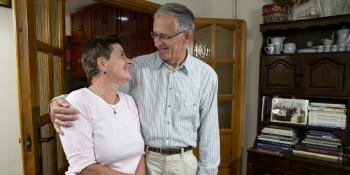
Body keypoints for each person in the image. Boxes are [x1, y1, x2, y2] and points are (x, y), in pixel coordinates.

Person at [51, 3, 220, 175]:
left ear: (187, 36)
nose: (156, 42)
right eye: (154, 34)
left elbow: (210, 134)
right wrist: (60, 102)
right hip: (146, 161)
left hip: (184, 164)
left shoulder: (206, 76)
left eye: (164, 36)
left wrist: (208, 172)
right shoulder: (137, 67)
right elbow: (101, 91)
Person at [59, 36, 145, 175]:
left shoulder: (129, 101)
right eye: (122, 55)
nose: (129, 61)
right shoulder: (78, 102)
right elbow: (85, 168)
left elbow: (139, 154)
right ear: (102, 63)